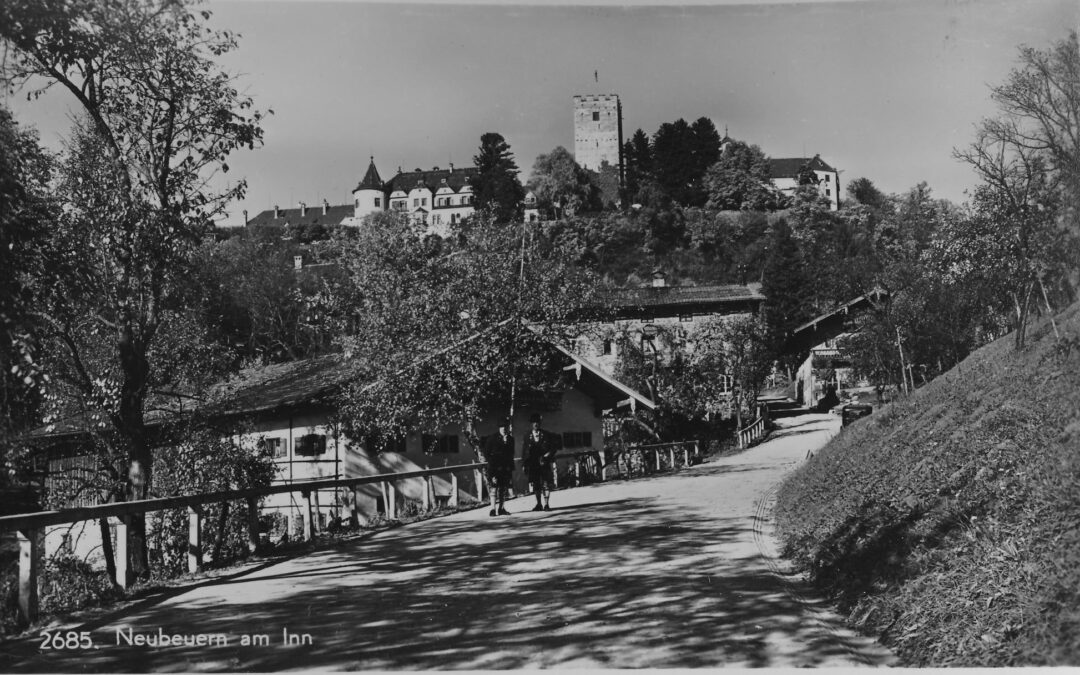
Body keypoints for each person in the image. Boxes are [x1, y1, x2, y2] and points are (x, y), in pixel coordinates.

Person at [522, 413, 557, 511]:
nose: (535, 424)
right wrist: (524, 464)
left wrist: (547, 455)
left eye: (537, 422)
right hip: (533, 464)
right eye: (533, 423)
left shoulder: (546, 435)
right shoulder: (527, 436)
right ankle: (538, 504)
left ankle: (546, 504)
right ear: (531, 424)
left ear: (540, 423)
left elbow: (554, 448)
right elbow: (524, 451)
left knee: (546, 483)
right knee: (536, 484)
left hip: (544, 463)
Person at [481, 418, 515, 516]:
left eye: (505, 427)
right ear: (499, 428)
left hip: (505, 468)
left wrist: (510, 467)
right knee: (494, 488)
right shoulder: (492, 439)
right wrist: (492, 464)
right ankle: (492, 509)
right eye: (502, 427)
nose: (504, 429)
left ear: (508, 428)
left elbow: (511, 454)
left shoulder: (511, 439)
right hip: (494, 467)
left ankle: (501, 508)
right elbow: (486, 453)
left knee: (503, 488)